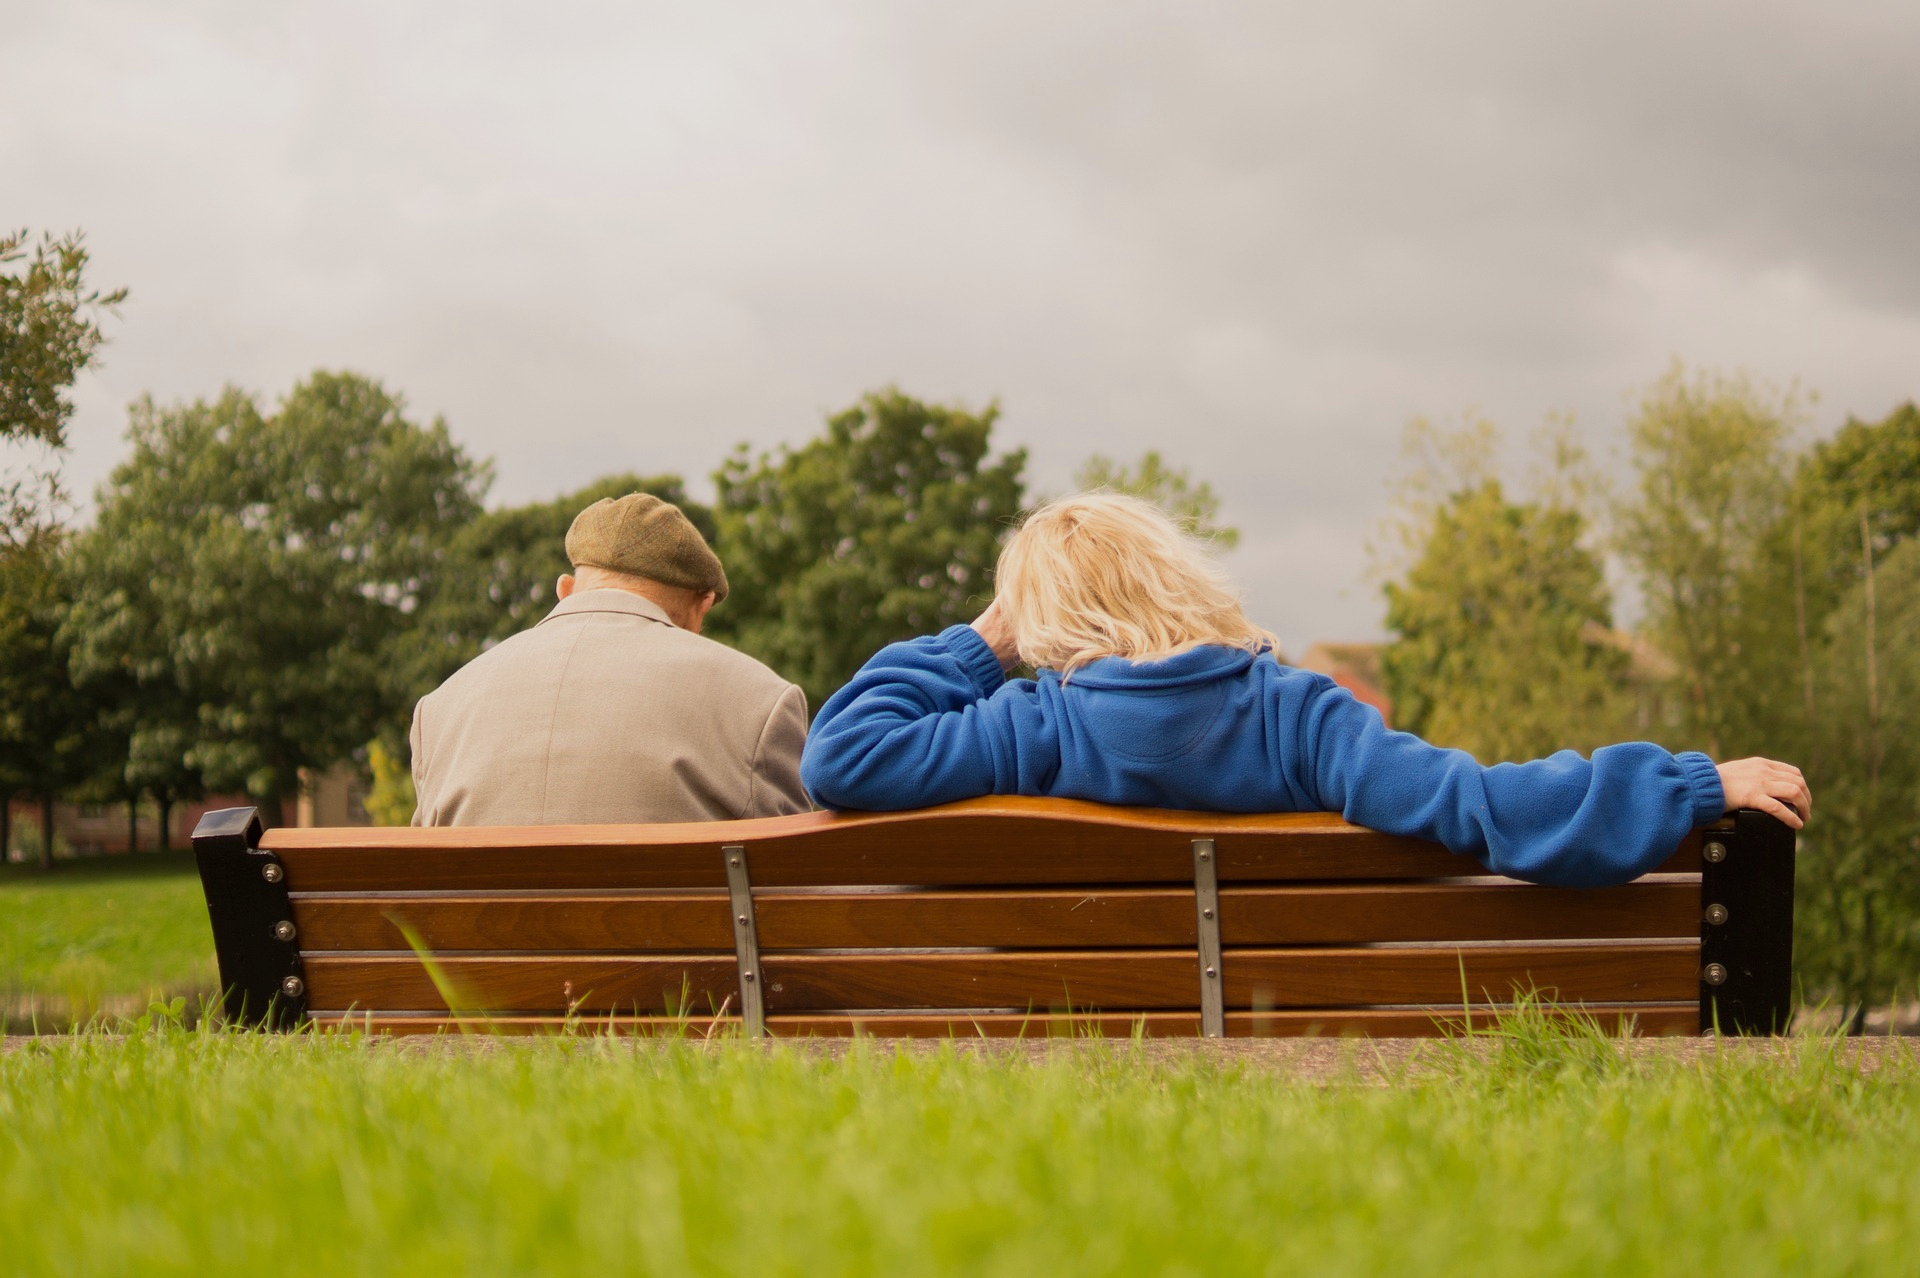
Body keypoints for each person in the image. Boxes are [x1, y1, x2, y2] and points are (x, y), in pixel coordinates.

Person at [800, 492, 1810, 888]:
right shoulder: (1300, 716)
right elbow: (1480, 805)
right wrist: (1687, 785)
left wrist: (984, 644)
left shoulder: (1025, 726)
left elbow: (841, 755)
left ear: (1045, 624)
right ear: (1178, 579)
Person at [411, 493, 809, 826]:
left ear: (565, 589)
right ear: (701, 604)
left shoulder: (439, 709)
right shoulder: (761, 701)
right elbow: (792, 882)